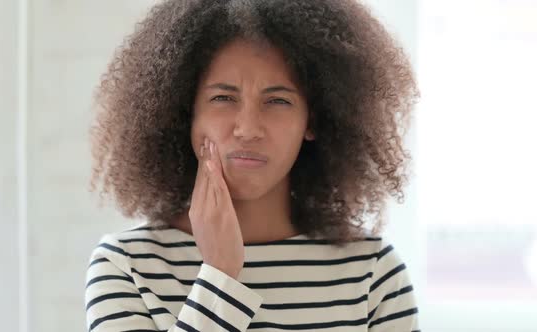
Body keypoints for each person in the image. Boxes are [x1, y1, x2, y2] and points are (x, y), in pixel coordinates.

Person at [85, 0, 421, 331]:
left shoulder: (373, 273)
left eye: (278, 101)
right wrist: (219, 275)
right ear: (185, 113)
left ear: (313, 120)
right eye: (223, 98)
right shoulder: (126, 265)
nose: (247, 129)